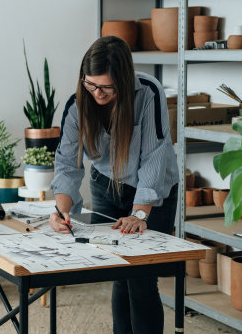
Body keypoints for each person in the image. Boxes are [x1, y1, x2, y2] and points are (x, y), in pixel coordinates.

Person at [49, 35, 178, 334]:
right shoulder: (77, 104)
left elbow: (154, 158)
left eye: (107, 87)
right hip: (106, 185)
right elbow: (68, 164)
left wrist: (140, 215)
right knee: (118, 270)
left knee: (142, 277)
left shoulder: (148, 93)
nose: (98, 93)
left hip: (154, 190)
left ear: (123, 79)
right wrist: (62, 210)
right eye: (91, 85)